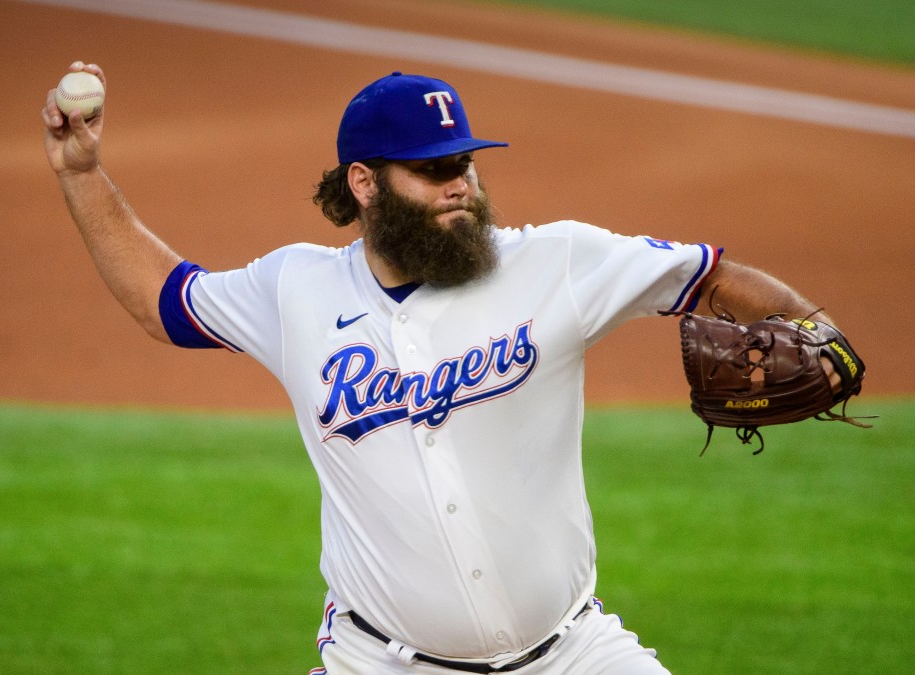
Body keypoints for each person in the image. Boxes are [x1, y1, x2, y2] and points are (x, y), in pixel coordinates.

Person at [43, 62, 840, 675]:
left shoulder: (552, 260)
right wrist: (81, 175)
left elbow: (709, 274)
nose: (458, 181)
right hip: (381, 659)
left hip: (573, 653)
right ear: (364, 183)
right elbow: (164, 300)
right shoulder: (296, 290)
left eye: (463, 160)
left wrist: (813, 326)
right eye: (431, 167)